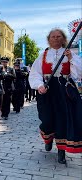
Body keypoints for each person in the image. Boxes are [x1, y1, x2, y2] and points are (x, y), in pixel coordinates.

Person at [29, 28, 82, 164]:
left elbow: (78, 74)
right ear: (49, 39)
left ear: (64, 39)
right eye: (53, 36)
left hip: (64, 91)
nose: (56, 38)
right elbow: (35, 73)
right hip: (47, 90)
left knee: (63, 120)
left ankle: (61, 151)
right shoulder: (44, 55)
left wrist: (71, 59)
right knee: (46, 119)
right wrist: (39, 85)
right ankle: (48, 138)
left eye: (59, 36)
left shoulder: (71, 54)